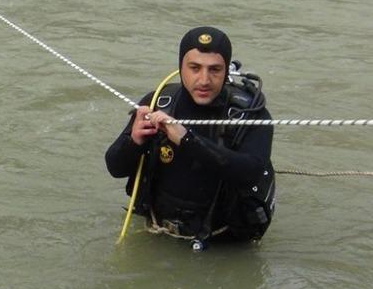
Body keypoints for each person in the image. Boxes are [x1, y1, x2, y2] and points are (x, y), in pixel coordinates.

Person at [105, 26, 276, 249]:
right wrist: (134, 141)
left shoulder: (250, 115)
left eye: (214, 69)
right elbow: (115, 168)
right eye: (194, 68)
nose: (204, 80)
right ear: (180, 67)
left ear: (226, 71)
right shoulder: (159, 102)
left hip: (222, 243)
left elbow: (250, 173)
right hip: (159, 233)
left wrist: (187, 140)